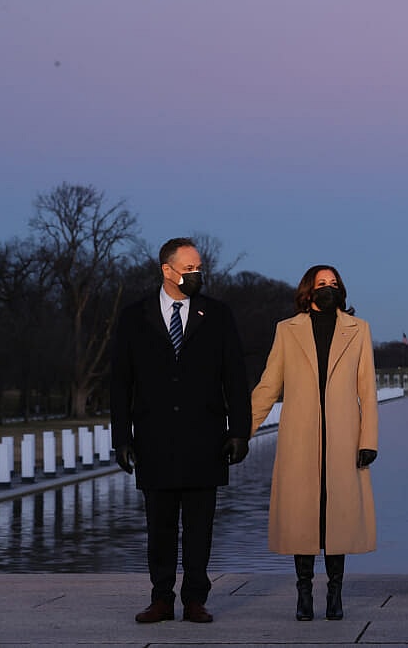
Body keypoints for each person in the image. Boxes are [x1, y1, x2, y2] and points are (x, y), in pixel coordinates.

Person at [110, 237, 251, 624]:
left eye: (198, 267)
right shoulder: (135, 316)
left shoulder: (217, 314)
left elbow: (235, 377)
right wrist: (121, 438)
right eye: (188, 268)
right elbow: (120, 382)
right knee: (159, 526)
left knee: (199, 527)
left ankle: (194, 600)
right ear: (167, 270)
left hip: (204, 438)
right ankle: (161, 599)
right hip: (154, 439)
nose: (196, 274)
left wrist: (239, 431)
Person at [250, 264, 379, 622]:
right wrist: (242, 431)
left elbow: (368, 390)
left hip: (343, 437)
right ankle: (303, 593)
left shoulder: (359, 329)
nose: (328, 288)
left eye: (333, 283)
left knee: (337, 520)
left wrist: (368, 439)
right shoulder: (287, 330)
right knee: (304, 520)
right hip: (300, 438)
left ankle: (335, 594)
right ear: (308, 290)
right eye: (322, 283)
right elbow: (269, 385)